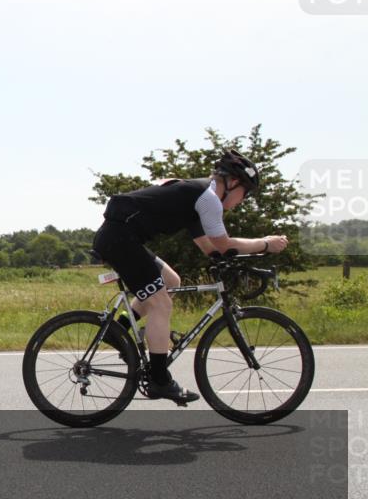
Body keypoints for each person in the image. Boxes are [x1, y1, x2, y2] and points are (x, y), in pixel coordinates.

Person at [91, 150, 288, 403]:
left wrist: (238, 261)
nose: (243, 200)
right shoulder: (208, 198)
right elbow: (224, 243)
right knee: (161, 303)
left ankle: (119, 331)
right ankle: (159, 380)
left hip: (121, 237)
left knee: (171, 281)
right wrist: (265, 244)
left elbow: (212, 249)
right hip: (120, 240)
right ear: (234, 183)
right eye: (245, 193)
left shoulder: (199, 197)